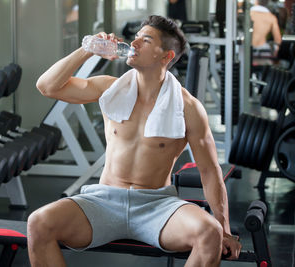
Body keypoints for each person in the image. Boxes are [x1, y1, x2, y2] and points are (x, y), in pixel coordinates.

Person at [27, 15, 242, 267]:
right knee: (38, 223)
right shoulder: (110, 88)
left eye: (146, 40)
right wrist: (87, 50)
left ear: (166, 57)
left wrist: (224, 228)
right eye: (137, 37)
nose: (135, 43)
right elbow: (47, 86)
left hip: (157, 206)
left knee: (210, 233)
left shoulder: (188, 108)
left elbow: (209, 171)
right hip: (103, 201)